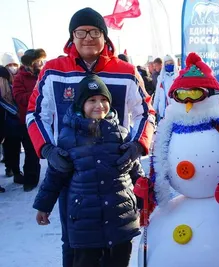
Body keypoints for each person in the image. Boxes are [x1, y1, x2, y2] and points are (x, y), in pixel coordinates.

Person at [27, 7, 155, 267]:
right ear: (71, 37)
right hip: (72, 173)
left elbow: (147, 112)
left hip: (114, 172)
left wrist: (137, 145)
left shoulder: (127, 71)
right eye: (81, 32)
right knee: (74, 244)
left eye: (95, 31)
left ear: (105, 37)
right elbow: (35, 113)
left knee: (118, 241)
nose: (88, 37)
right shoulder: (53, 70)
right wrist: (48, 150)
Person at [34, 75, 142, 267]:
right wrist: (44, 206)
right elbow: (55, 176)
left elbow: (135, 171)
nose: (99, 105)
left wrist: (145, 195)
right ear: (80, 105)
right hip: (85, 221)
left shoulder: (122, 134)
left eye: (103, 100)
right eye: (92, 100)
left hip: (121, 218)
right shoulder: (68, 137)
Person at [12, 49, 46, 191]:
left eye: (41, 61)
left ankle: (56, 179)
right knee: (31, 151)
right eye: (37, 61)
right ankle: (30, 180)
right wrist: (37, 94)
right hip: (29, 120)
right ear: (30, 63)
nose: (40, 64)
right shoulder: (19, 77)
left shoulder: (45, 73)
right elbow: (19, 97)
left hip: (45, 118)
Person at [0, 53, 24, 184]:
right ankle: (11, 168)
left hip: (15, 119)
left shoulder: (19, 78)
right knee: (9, 146)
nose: (12, 67)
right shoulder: (2, 77)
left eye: (14, 64)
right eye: (9, 65)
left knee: (13, 146)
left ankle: (14, 170)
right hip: (5, 117)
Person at [153, 55, 178, 121]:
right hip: (163, 112)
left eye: (171, 63)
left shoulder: (178, 78)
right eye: (167, 64)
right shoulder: (161, 79)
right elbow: (157, 95)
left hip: (175, 111)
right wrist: (154, 109)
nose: (169, 65)